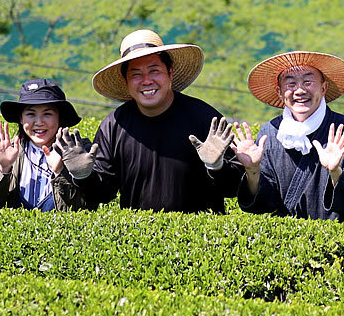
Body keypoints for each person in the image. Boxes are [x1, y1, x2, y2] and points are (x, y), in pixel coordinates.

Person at [57, 29, 240, 213]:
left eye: (154, 71)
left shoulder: (204, 118)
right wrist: (82, 175)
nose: (146, 81)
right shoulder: (114, 125)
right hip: (138, 237)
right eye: (136, 74)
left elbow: (234, 188)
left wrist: (216, 167)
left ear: (170, 72)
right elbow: (103, 193)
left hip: (201, 238)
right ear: (125, 81)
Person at [232, 51, 344, 222]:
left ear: (323, 87)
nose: (299, 90)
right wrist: (252, 170)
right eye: (290, 83)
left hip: (339, 243)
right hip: (287, 243)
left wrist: (336, 173)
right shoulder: (270, 134)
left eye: (308, 82)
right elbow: (264, 206)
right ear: (279, 92)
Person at [0, 79, 88, 211]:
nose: (39, 122)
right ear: (21, 118)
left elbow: (82, 211)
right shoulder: (12, 151)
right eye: (31, 114)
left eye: (47, 114)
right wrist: (4, 168)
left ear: (60, 117)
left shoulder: (78, 152)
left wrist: (60, 172)